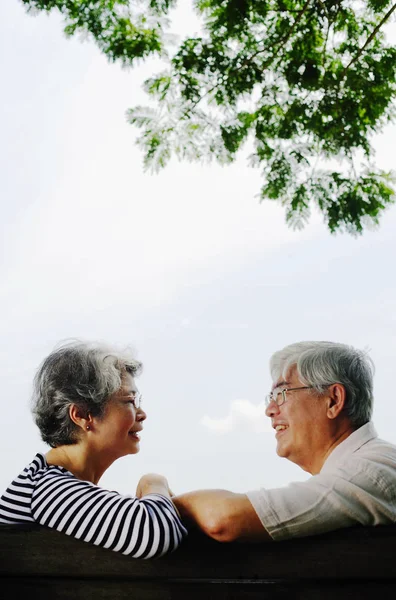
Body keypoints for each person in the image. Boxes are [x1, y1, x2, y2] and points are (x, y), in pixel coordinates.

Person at [172, 341, 396, 542]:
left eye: (282, 393)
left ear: (333, 400)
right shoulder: (364, 467)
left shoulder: (370, 471)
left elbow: (222, 519)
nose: (269, 410)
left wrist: (155, 491)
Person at [0, 341, 187, 558]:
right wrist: (154, 482)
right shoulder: (47, 490)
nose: (142, 413)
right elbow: (157, 534)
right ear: (81, 415)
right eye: (129, 401)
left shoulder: (55, 486)